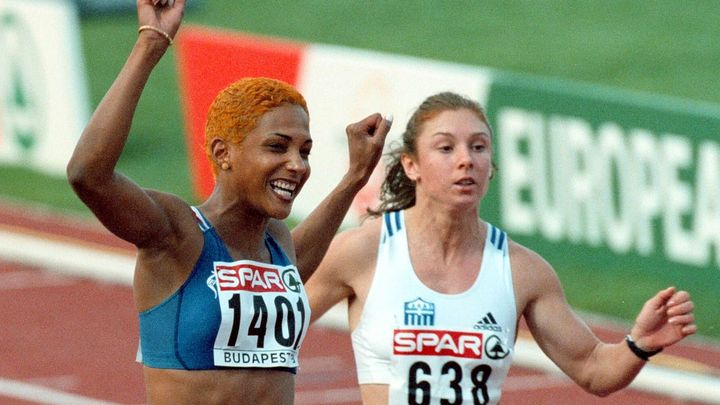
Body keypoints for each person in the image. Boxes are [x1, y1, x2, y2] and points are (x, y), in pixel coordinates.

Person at [66, 1, 392, 404]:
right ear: (224, 154)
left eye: (305, 151)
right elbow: (88, 175)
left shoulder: (275, 243)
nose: (297, 165)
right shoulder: (176, 232)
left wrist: (354, 178)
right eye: (277, 147)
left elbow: (296, 264)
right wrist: (151, 43)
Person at [305, 91, 697, 404]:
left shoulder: (522, 270)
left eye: (479, 148)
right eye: (446, 149)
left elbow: (593, 368)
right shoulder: (362, 253)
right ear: (411, 165)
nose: (466, 161)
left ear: (491, 164)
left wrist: (639, 344)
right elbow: (271, 332)